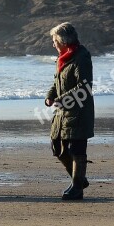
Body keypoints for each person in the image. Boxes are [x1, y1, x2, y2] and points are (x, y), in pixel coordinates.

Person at [44, 22, 94, 200]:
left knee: (76, 149)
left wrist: (61, 100)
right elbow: (56, 83)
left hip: (79, 112)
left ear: (63, 40)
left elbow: (85, 87)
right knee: (57, 148)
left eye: (54, 40)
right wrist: (50, 96)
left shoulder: (81, 57)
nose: (53, 44)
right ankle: (79, 179)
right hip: (62, 111)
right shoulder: (62, 58)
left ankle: (77, 187)